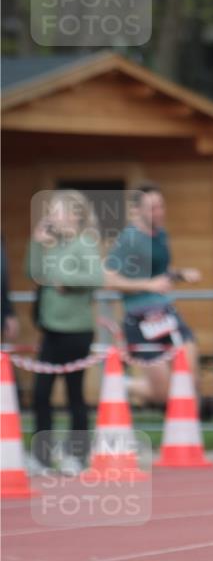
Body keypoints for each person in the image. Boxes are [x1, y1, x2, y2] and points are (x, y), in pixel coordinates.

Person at [26, 190, 103, 474]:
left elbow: (96, 277)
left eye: (57, 211)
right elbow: (32, 271)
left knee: (74, 395)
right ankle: (41, 457)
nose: (51, 217)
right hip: (51, 330)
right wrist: (36, 245)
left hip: (76, 331)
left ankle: (77, 456)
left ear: (75, 215)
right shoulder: (52, 245)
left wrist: (66, 280)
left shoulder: (84, 243)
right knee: (41, 395)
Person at [104, 183, 201, 405]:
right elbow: (108, 279)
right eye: (152, 208)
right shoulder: (128, 239)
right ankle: (120, 384)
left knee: (190, 381)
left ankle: (186, 437)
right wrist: (148, 286)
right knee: (163, 395)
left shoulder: (160, 235)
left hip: (166, 313)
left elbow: (158, 272)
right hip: (140, 319)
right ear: (136, 210)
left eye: (160, 206)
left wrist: (179, 274)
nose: (158, 212)